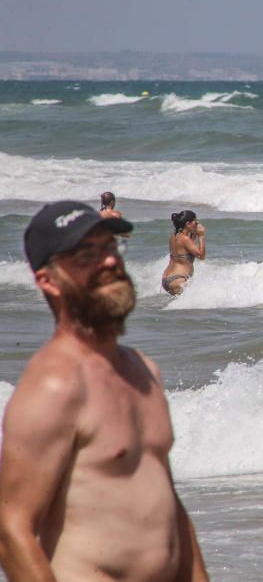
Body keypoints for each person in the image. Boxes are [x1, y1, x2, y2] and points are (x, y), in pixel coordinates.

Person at [0, 200, 208, 581]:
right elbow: (12, 531)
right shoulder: (54, 385)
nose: (110, 261)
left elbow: (168, 505)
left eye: (111, 248)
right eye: (87, 255)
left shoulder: (142, 370)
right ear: (48, 280)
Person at [161, 209, 206, 295]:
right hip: (178, 280)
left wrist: (194, 233)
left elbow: (188, 247)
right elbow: (201, 256)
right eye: (195, 222)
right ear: (188, 224)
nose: (197, 224)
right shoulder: (184, 239)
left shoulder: (175, 236)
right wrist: (201, 236)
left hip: (167, 280)